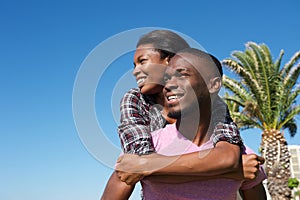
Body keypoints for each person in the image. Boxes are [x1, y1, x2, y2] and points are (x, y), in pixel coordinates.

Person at [101, 30, 262, 199]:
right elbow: (138, 163)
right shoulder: (134, 101)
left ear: (169, 61)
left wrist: (229, 166)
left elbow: (227, 156)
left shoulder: (218, 107)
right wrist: (232, 171)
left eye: (143, 62)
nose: (135, 71)